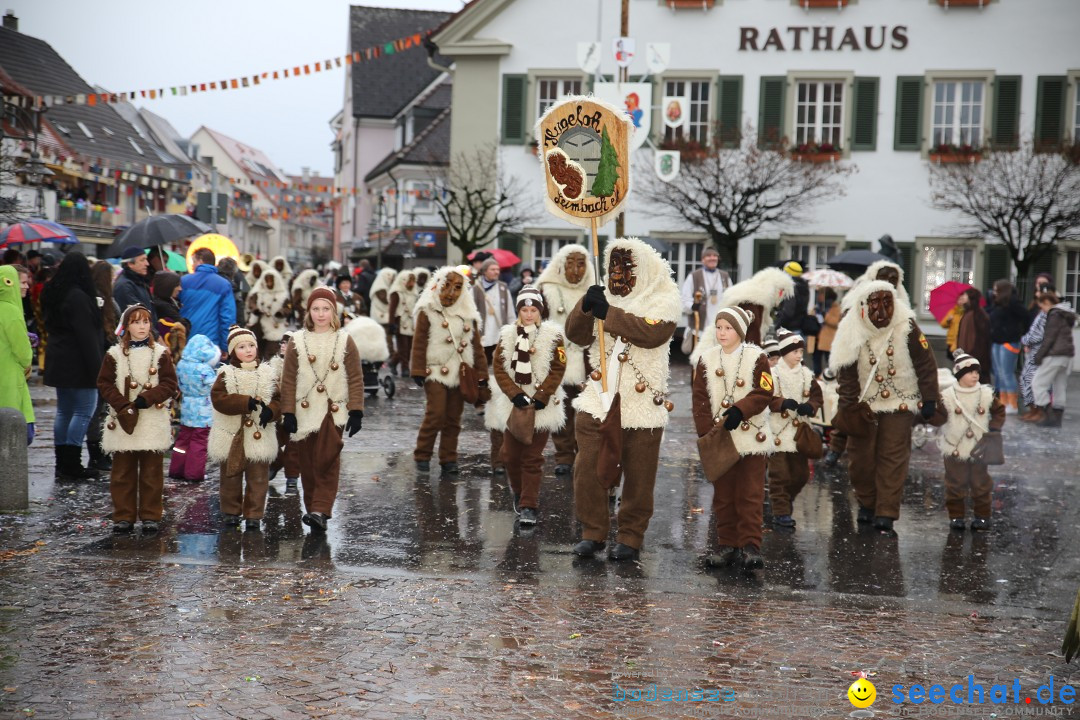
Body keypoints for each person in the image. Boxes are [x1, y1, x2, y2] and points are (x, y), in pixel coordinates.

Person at [565, 238, 680, 562]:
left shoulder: (663, 298)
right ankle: (592, 532)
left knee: (639, 476)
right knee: (586, 467)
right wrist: (586, 305)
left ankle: (630, 536)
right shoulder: (604, 293)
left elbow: (652, 332)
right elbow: (575, 334)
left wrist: (609, 314)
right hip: (599, 397)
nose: (618, 274)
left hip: (643, 402)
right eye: (613, 266)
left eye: (625, 267)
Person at [830, 280, 939, 532]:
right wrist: (848, 406)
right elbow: (845, 372)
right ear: (863, 306)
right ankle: (868, 503)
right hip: (863, 406)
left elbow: (925, 362)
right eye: (875, 303)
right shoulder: (851, 327)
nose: (881, 310)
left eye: (886, 303)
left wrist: (930, 397)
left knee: (893, 458)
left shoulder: (907, 325)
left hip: (900, 402)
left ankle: (887, 512)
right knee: (860, 460)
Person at [691, 306, 773, 571]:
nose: (722, 333)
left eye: (728, 328)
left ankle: (750, 547)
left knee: (750, 493)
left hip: (751, 436)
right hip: (721, 437)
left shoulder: (757, 357)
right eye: (718, 327)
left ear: (739, 331)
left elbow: (764, 392)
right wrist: (707, 434)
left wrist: (741, 409)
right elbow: (700, 399)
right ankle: (727, 545)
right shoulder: (706, 358)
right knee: (723, 495)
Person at [279, 287, 366, 534]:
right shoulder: (297, 340)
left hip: (334, 411)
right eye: (316, 309)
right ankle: (314, 513)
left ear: (333, 311)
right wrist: (288, 413)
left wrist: (356, 411)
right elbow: (288, 380)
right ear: (308, 311)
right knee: (307, 465)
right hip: (304, 411)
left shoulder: (344, 339)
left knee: (328, 460)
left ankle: (320, 509)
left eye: (326, 309)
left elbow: (355, 378)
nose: (320, 314)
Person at [484, 286, 566, 526]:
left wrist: (542, 394)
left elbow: (558, 368)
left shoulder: (553, 335)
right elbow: (499, 367)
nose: (529, 314)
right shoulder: (507, 334)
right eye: (524, 309)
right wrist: (514, 394)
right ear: (518, 311)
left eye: (533, 310)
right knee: (509, 455)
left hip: (543, 405)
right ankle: (519, 493)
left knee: (532, 457)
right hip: (515, 404)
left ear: (540, 311)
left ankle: (529, 505)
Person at [97, 304, 179, 534]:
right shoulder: (114, 354)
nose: (142, 327)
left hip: (152, 418)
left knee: (152, 472)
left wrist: (147, 398)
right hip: (123, 420)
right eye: (136, 322)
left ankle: (151, 515)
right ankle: (123, 516)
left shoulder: (161, 353)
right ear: (127, 326)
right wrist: (122, 404)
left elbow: (170, 384)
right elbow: (104, 383)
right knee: (122, 471)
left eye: (145, 322)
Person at [411, 267, 490, 473]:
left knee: (454, 418)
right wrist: (418, 370)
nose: (451, 293)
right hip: (435, 370)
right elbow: (419, 342)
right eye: (446, 286)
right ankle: (422, 454)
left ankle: (448, 459)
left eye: (457, 287)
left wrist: (481, 375)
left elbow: (476, 347)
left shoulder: (468, 315)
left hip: (460, 373)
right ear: (437, 286)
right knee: (436, 413)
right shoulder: (428, 311)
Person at [208, 325, 281, 531]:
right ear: (232, 351)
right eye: (242, 347)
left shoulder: (267, 373)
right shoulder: (226, 374)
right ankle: (231, 512)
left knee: (258, 477)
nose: (248, 350)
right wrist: (244, 402)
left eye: (251, 345)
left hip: (259, 435)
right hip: (230, 434)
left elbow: (278, 399)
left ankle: (254, 515)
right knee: (230, 476)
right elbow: (219, 399)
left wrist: (272, 411)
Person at [42, 251, 106, 481]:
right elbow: (87, 337)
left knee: (64, 411)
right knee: (84, 411)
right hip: (79, 362)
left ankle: (63, 462)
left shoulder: (53, 291)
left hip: (58, 359)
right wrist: (99, 371)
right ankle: (72, 463)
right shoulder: (78, 296)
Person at [536, 244, 595, 476]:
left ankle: (583, 455)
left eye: (581, 263)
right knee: (560, 408)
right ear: (560, 265)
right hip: (558, 358)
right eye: (570, 263)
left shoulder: (594, 290)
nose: (576, 269)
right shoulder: (546, 289)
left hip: (587, 359)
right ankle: (563, 457)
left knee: (585, 412)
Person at [931, 351, 1005, 531]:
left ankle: (982, 516)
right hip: (954, 447)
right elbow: (939, 417)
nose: (975, 375)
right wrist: (929, 414)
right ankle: (956, 517)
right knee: (954, 484)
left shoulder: (986, 394)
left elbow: (999, 411)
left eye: (977, 372)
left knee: (981, 483)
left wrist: (994, 427)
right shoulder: (947, 396)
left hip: (979, 448)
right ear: (958, 374)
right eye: (970, 371)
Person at [765, 329, 823, 530]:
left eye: (801, 351)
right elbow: (764, 398)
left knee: (800, 475)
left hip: (799, 434)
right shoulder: (772, 374)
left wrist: (812, 406)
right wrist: (781, 403)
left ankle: (785, 502)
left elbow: (817, 396)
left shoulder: (807, 375)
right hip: (777, 432)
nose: (799, 355)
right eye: (795, 351)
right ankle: (781, 513)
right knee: (779, 475)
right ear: (784, 353)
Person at [473, 258, 514, 472]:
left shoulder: (503, 288)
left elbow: (509, 312)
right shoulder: (476, 287)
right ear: (485, 270)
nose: (496, 271)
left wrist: (510, 330)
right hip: (482, 334)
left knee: (497, 369)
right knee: (481, 370)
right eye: (493, 268)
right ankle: (481, 399)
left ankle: (495, 393)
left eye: (498, 269)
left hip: (498, 333)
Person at [169, 334, 220, 483]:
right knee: (199, 443)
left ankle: (176, 469)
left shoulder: (182, 365)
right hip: (203, 411)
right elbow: (214, 387)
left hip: (187, 408)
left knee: (182, 441)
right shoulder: (204, 369)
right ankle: (194, 473)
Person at [1030, 290, 1076, 428]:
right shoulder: (1065, 314)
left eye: (1042, 306)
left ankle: (1049, 416)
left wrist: (1039, 355)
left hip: (1055, 354)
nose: (1042, 311)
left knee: (1038, 384)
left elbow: (1049, 338)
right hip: (1067, 355)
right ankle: (1057, 419)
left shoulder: (1055, 315)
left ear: (1047, 303)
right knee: (1059, 386)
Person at [0, 265, 34, 446]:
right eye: (21, 282)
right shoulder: (11, 311)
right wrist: (27, 362)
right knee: (16, 433)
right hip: (10, 376)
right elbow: (22, 351)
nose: (26, 286)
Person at [716, 267, 795, 345]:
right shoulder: (753, 302)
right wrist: (757, 355)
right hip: (733, 349)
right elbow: (752, 336)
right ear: (780, 291)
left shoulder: (745, 292)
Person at [179, 247, 235, 355]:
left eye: (193, 261)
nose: (192, 265)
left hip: (187, 338)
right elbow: (227, 317)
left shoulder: (184, 281)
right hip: (211, 341)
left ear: (200, 260)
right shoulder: (223, 284)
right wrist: (225, 346)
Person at [988, 279, 1029, 414]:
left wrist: (1020, 334)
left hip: (1009, 342)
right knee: (999, 373)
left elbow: (1026, 317)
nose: (993, 292)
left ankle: (1012, 404)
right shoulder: (997, 304)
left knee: (1007, 373)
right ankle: (1003, 402)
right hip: (997, 341)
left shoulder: (1013, 303)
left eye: (996, 290)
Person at [680, 247, 733, 349]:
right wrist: (692, 306)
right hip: (700, 329)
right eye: (708, 256)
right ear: (703, 259)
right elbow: (685, 298)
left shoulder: (725, 276)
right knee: (700, 360)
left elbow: (731, 297)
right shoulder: (694, 276)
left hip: (721, 329)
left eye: (715, 256)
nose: (712, 258)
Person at [268, 332, 300, 496]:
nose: (282, 345)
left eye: (287, 343)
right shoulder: (273, 365)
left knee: (293, 447)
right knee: (273, 442)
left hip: (297, 412)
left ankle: (292, 478)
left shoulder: (301, 366)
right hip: (277, 412)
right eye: (282, 342)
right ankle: (275, 463)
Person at [245, 266, 290, 360]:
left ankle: (271, 371)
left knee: (272, 353)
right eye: (267, 280)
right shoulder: (258, 293)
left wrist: (281, 312)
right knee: (256, 352)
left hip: (275, 327)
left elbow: (288, 307)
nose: (269, 283)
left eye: (271, 280)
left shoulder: (282, 295)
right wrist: (256, 309)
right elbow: (251, 302)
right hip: (259, 327)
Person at [1019, 288, 1050, 421]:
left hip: (1039, 352)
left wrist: (1025, 340)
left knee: (1033, 381)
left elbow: (1038, 334)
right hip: (1033, 351)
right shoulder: (1040, 314)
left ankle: (1038, 411)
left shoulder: (1047, 316)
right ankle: (1032, 409)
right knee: (1026, 380)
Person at [151, 271, 188, 364]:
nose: (180, 289)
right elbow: (184, 325)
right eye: (177, 285)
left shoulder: (168, 302)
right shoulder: (164, 306)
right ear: (168, 286)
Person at [112, 247, 157, 323]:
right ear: (130, 264)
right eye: (142, 260)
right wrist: (154, 333)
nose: (147, 264)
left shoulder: (140, 281)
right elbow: (137, 317)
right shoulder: (125, 286)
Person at [956, 288, 991, 385]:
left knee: (981, 383)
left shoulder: (979, 314)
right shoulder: (967, 313)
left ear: (971, 298)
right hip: (968, 355)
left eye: (965, 296)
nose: (962, 298)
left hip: (977, 357)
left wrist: (974, 355)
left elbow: (982, 338)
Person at [387, 270, 418, 377]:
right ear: (403, 281)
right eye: (410, 281)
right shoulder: (396, 293)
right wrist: (391, 324)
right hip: (400, 323)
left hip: (411, 322)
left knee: (409, 348)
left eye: (413, 281)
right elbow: (392, 309)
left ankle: (393, 362)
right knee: (403, 348)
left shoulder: (414, 293)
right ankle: (405, 368)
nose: (412, 284)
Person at [775, 261, 812, 334]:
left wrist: (777, 326)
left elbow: (788, 312)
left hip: (788, 330)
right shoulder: (804, 287)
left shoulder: (790, 288)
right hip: (799, 328)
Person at [368, 267, 398, 355]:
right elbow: (386, 301)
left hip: (386, 316)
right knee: (384, 336)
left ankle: (388, 352)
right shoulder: (380, 289)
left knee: (387, 336)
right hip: (381, 317)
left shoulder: (385, 288)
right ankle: (387, 353)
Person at [813, 288, 839, 376]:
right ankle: (817, 377)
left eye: (821, 294)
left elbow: (835, 322)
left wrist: (825, 315)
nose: (819, 296)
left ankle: (829, 377)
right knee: (816, 362)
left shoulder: (835, 307)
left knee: (829, 360)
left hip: (828, 339)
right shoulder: (817, 306)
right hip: (816, 338)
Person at [216, 257, 249, 326]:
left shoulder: (210, 282)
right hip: (228, 327)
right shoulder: (232, 284)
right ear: (233, 272)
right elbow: (245, 290)